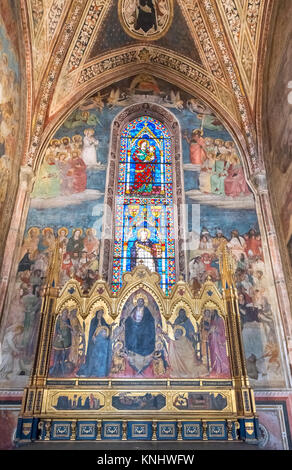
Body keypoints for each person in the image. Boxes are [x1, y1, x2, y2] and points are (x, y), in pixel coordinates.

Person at [124, 295, 156, 375]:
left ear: (144, 302)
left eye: (142, 301)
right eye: (139, 301)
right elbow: (129, 319)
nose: (140, 302)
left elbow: (151, 320)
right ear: (137, 302)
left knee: (144, 336)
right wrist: (127, 321)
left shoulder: (146, 310)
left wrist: (144, 324)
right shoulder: (134, 309)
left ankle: (143, 350)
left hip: (144, 328)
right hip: (135, 327)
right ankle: (133, 349)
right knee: (133, 334)